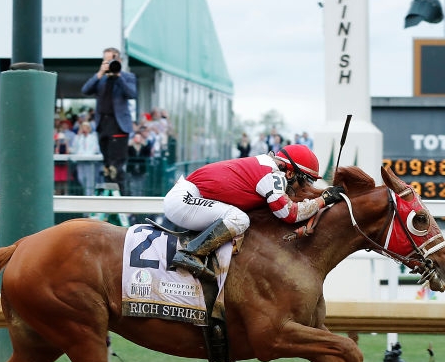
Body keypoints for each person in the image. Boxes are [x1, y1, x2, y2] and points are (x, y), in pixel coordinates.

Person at [163, 144, 344, 279]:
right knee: (239, 219)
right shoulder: (273, 174)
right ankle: (190, 254)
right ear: (289, 173)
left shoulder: (266, 167)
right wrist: (323, 200)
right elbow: (289, 214)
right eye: (304, 181)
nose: (304, 187)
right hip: (184, 200)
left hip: (188, 197)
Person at [81, 47, 137, 193]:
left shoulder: (127, 77)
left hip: (118, 125)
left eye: (112, 60)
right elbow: (85, 90)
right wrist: (100, 73)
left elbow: (132, 93)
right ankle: (109, 196)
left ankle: (121, 198)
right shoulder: (100, 79)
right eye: (106, 60)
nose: (109, 63)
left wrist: (118, 76)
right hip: (102, 124)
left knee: (116, 166)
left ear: (119, 60)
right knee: (106, 166)